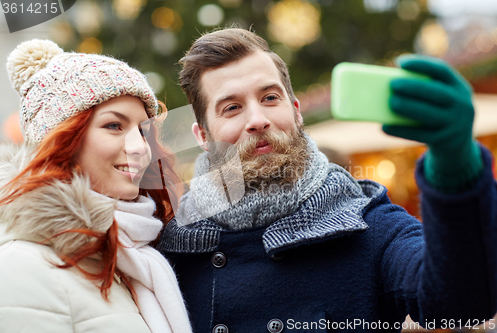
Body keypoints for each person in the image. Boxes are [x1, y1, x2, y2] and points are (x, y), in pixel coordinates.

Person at [157, 28, 497, 332]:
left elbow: (463, 304)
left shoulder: (368, 224)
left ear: (296, 110)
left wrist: (455, 163)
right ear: (202, 135)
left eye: (270, 98)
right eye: (231, 108)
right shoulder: (170, 245)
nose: (258, 120)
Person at [0, 40, 192, 333]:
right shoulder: (21, 265)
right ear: (62, 140)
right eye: (114, 126)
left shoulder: (136, 256)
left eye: (143, 130)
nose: (140, 146)